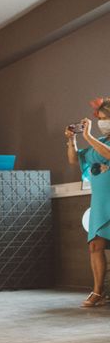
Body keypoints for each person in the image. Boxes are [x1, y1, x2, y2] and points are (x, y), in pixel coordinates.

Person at [65, 97, 110, 307]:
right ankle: (98, 291)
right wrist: (72, 140)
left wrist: (88, 135)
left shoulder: (98, 142)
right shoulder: (99, 142)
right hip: (101, 203)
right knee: (95, 245)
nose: (101, 122)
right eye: (99, 118)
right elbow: (75, 159)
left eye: (104, 118)